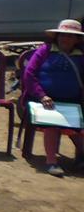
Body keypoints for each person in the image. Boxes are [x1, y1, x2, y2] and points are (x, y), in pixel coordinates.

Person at [22, 18, 84, 177]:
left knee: (78, 127)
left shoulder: (81, 56)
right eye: (63, 35)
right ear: (56, 36)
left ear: (77, 39)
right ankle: (52, 162)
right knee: (53, 122)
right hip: (43, 100)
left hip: (73, 102)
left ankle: (81, 158)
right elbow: (29, 74)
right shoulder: (45, 51)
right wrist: (42, 95)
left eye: (70, 36)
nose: (65, 39)